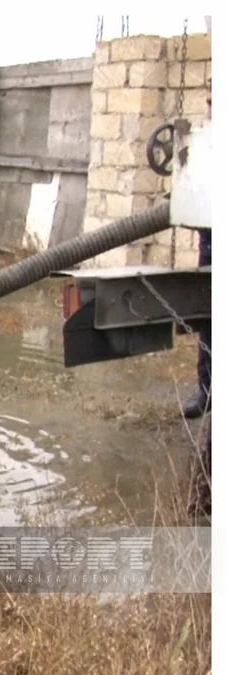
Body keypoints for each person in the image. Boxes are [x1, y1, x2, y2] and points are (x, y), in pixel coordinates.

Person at [182, 78, 212, 420]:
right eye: (208, 99)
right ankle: (206, 391)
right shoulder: (207, 140)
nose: (209, 105)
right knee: (209, 316)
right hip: (211, 237)